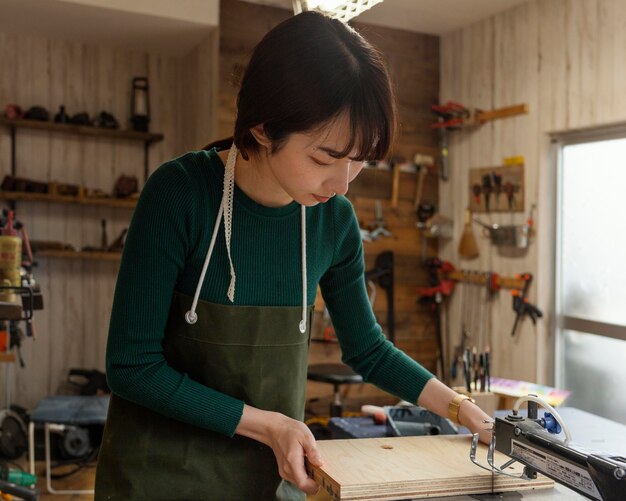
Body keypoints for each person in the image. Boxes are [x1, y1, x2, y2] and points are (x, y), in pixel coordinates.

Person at [94, 10, 492, 501]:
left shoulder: (334, 222)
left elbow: (367, 349)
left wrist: (460, 409)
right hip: (156, 480)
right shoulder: (179, 195)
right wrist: (268, 425)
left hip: (264, 482)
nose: (342, 183)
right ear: (263, 128)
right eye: (325, 158)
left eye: (359, 161)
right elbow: (132, 366)